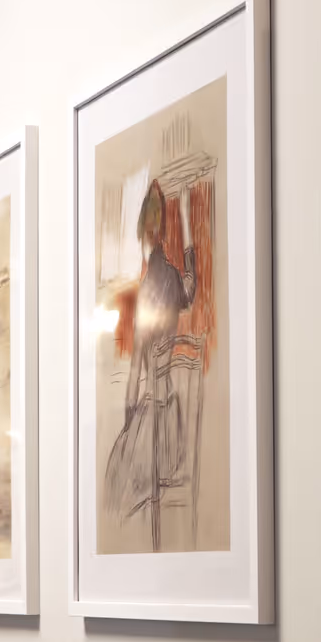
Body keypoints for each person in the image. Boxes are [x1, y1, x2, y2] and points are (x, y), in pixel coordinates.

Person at [104, 180, 199, 550]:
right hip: (171, 426)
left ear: (144, 238)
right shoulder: (173, 278)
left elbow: (133, 381)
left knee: (117, 475)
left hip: (156, 433)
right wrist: (188, 218)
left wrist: (129, 422)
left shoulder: (146, 292)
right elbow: (192, 290)